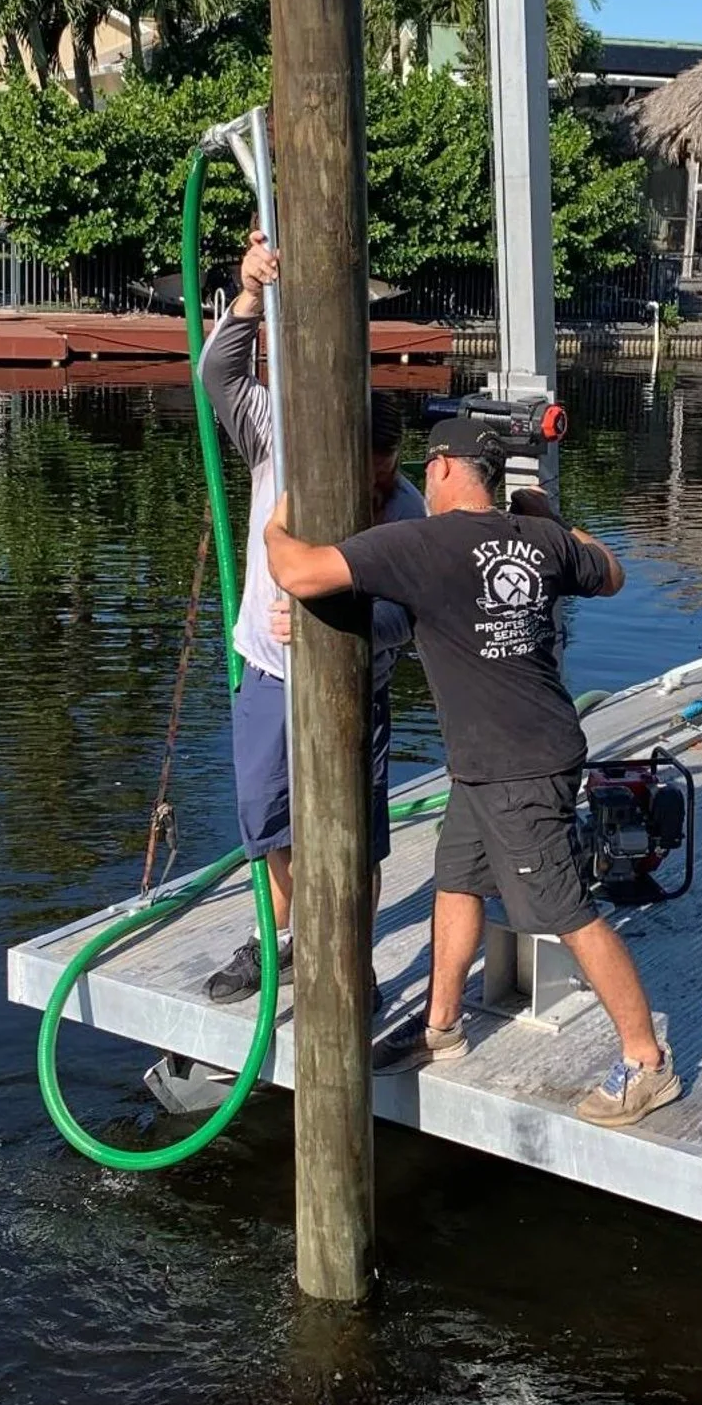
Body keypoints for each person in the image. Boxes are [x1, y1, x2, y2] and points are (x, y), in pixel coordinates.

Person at [264, 415, 681, 1129]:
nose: (424, 477)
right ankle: (442, 1026)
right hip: (498, 755)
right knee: (456, 881)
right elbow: (611, 573)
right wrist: (552, 516)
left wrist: (275, 522)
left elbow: (299, 570)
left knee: (566, 911)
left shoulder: (422, 543)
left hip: (520, 765)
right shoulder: (541, 539)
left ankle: (646, 1062)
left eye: (428, 466)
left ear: (445, 470)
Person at [198, 230, 424, 1003]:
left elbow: (414, 615)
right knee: (267, 814)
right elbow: (217, 375)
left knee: (356, 829)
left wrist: (354, 619)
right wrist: (251, 298)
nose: (382, 488)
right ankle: (284, 936)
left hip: (359, 685)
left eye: (391, 475)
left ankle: (351, 959)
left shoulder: (408, 507)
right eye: (371, 474)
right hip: (268, 667)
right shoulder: (279, 436)